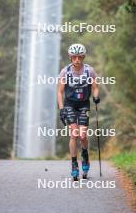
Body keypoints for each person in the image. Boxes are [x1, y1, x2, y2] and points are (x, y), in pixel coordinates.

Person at [58, 43, 100, 179]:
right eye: (74, 57)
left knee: (82, 136)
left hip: (83, 104)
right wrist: (61, 109)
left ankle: (85, 155)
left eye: (80, 57)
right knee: (74, 135)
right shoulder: (65, 71)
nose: (77, 60)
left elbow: (95, 87)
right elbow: (60, 92)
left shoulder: (89, 71)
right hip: (69, 104)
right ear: (70, 57)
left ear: (83, 57)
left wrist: (96, 96)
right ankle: (74, 164)